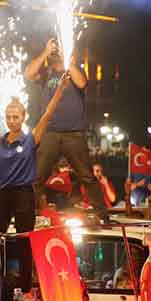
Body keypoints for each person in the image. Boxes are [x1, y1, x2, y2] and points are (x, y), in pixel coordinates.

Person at [0, 74, 70, 294]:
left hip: (24, 192)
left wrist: (60, 88)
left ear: (23, 117)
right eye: (8, 117)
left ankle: (25, 287)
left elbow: (48, 113)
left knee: (25, 239)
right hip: (2, 193)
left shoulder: (31, 138)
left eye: (15, 117)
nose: (11, 120)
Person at [24, 38, 107, 219]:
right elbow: (29, 74)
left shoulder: (74, 71)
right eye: (55, 49)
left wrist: (68, 61)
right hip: (50, 132)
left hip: (73, 133)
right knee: (37, 177)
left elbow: (82, 83)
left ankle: (102, 214)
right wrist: (45, 53)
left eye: (58, 49)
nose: (56, 52)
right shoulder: (46, 73)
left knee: (86, 175)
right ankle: (27, 213)